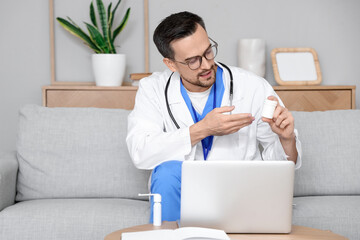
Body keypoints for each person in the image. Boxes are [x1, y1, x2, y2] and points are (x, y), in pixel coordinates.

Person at [126, 11, 301, 223]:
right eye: (193, 61)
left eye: (208, 51)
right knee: (166, 172)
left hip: (241, 190)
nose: (207, 65)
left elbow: (281, 168)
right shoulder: (152, 89)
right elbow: (140, 151)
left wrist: (287, 139)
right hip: (184, 193)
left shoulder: (252, 86)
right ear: (171, 64)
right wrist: (203, 129)